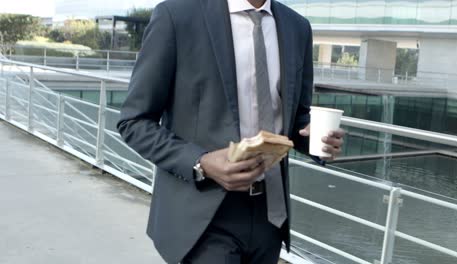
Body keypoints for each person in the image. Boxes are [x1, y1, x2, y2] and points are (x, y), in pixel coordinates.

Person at [117, 0, 344, 263]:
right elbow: (134, 122)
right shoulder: (176, 15)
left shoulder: (297, 27)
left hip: (269, 216)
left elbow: (295, 119)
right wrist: (200, 162)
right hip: (202, 216)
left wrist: (317, 138)